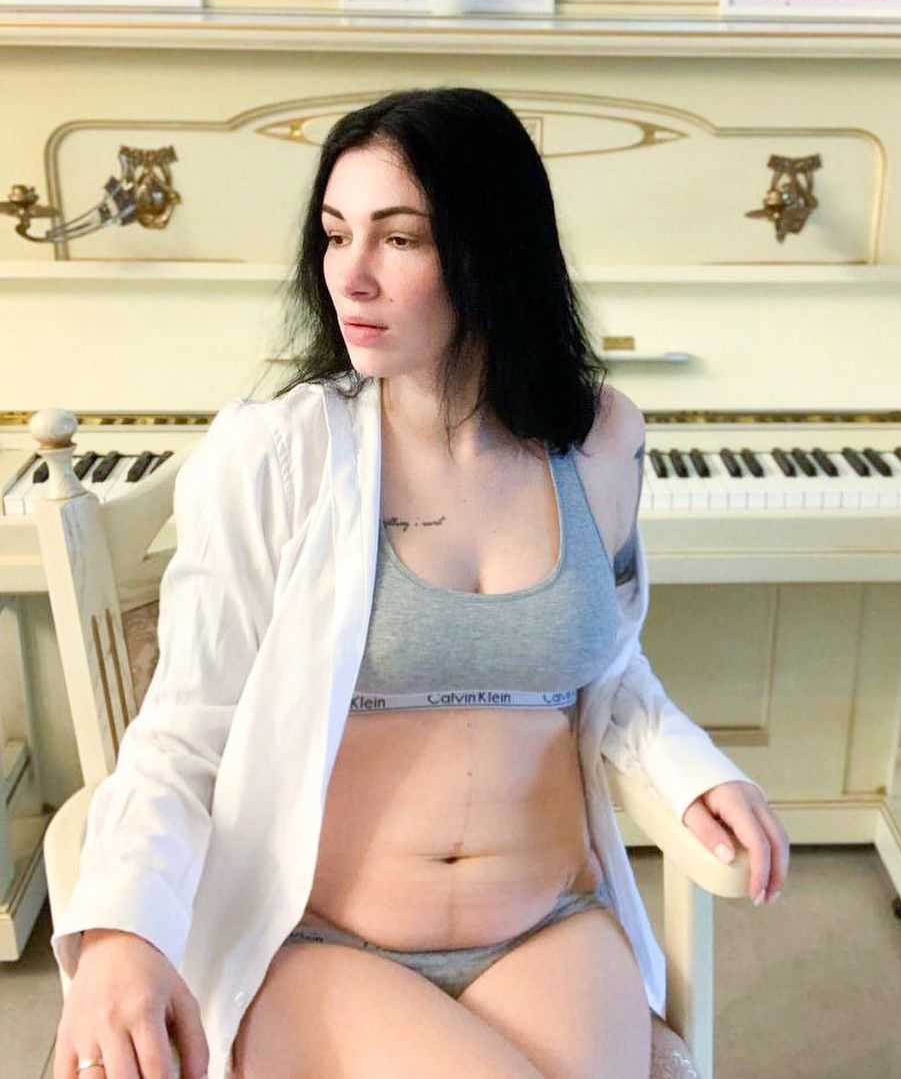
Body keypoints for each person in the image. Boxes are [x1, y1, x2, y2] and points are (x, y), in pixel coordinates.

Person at [51, 88, 788, 1079]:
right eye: (335, 234)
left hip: (552, 925)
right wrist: (119, 933)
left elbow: (606, 667)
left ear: (492, 252)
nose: (349, 276)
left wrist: (695, 769)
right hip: (322, 944)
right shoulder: (278, 455)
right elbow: (187, 727)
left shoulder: (601, 440)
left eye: (398, 240)